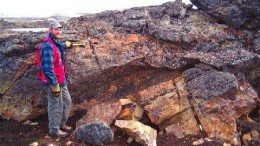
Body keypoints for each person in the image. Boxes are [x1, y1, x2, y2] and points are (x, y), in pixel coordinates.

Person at [36, 20, 73, 137]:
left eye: (60, 29)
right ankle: (54, 130)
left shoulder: (55, 42)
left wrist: (67, 44)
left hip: (62, 80)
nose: (59, 31)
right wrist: (54, 84)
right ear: (50, 30)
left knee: (67, 102)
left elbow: (59, 46)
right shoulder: (47, 45)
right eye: (56, 29)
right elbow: (47, 67)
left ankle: (62, 124)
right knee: (55, 105)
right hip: (54, 82)